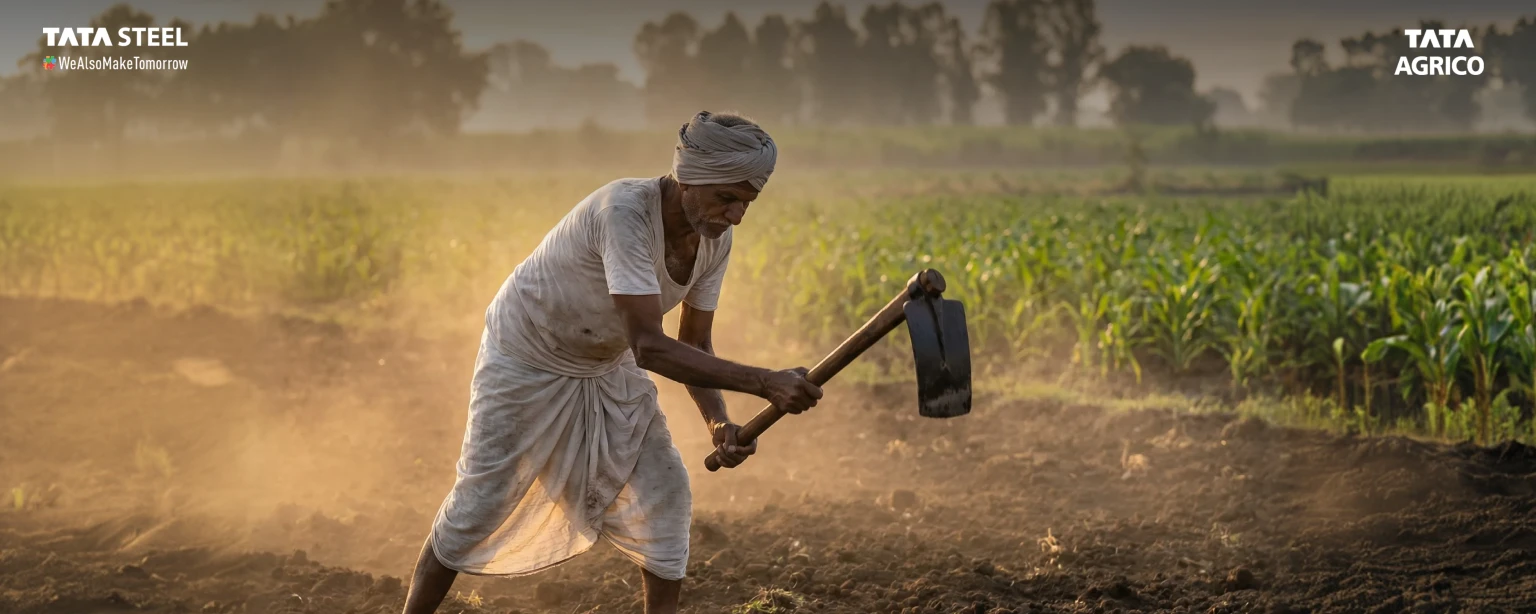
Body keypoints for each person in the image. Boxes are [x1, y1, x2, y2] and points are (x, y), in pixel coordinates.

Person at [401, 111, 824, 614]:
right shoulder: (624, 212)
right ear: (688, 179)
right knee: (479, 504)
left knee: (666, 493)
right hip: (527, 355)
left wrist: (718, 421)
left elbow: (696, 340)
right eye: (727, 198)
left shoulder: (713, 239)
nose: (735, 216)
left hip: (604, 362)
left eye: (746, 203)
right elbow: (649, 346)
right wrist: (765, 381)